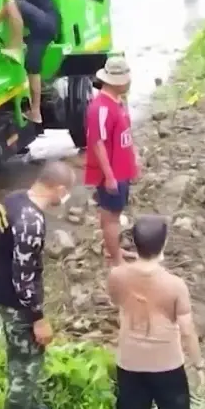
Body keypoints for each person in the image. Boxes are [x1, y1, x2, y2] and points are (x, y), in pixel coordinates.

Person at [107, 216, 205, 409]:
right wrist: (198, 365)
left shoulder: (117, 275)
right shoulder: (174, 284)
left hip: (129, 362)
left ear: (134, 244)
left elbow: (117, 302)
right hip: (167, 365)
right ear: (164, 243)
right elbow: (186, 329)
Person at [0, 161, 76, 409]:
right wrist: (38, 317)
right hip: (16, 302)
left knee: (20, 356)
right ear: (58, 189)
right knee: (26, 366)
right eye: (67, 192)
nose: (65, 198)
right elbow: (22, 275)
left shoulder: (12, 200)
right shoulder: (31, 221)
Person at [84, 57, 137, 267]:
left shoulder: (117, 102)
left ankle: (113, 249)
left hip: (122, 169)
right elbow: (97, 143)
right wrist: (109, 176)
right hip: (112, 172)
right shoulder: (100, 108)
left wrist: (135, 160)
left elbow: (125, 135)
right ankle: (115, 257)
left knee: (114, 213)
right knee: (111, 215)